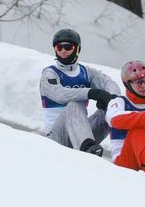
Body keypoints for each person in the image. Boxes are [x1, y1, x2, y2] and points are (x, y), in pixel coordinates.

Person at [39, 27, 116, 156]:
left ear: (77, 49)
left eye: (68, 47)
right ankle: (86, 148)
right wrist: (91, 93)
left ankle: (126, 154)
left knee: (111, 108)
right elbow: (60, 95)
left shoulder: (86, 72)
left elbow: (109, 83)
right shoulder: (49, 73)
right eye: (59, 47)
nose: (63, 51)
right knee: (74, 104)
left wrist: (111, 98)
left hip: (79, 133)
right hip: (55, 137)